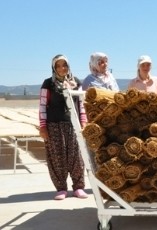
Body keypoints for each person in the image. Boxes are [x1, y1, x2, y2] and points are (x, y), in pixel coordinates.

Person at [39, 54, 88, 200]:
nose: (62, 68)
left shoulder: (76, 82)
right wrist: (43, 127)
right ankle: (61, 188)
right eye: (58, 65)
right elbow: (42, 106)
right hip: (53, 125)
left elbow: (81, 104)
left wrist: (83, 123)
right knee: (57, 157)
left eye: (64, 65)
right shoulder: (48, 84)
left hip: (72, 125)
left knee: (76, 156)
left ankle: (78, 187)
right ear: (54, 67)